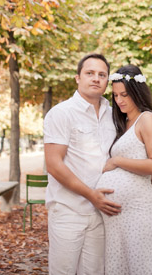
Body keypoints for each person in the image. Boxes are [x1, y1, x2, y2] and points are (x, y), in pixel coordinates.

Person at [44, 53, 122, 275]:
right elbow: (54, 164)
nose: (96, 79)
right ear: (78, 78)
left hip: (101, 213)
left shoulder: (113, 114)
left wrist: (150, 172)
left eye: (102, 75)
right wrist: (90, 195)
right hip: (69, 210)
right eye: (90, 73)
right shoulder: (61, 113)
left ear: (108, 81)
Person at [96, 64, 152, 275]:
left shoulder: (147, 118)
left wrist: (118, 161)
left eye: (124, 94)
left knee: (140, 269)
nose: (119, 100)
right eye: (116, 95)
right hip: (117, 215)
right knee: (118, 269)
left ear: (137, 92)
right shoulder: (123, 121)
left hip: (139, 211)